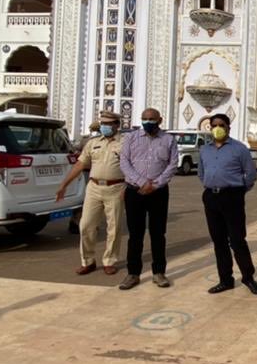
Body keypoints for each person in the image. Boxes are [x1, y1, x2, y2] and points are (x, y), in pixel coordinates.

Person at [198, 112, 257, 295]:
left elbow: (250, 175)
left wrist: (239, 190)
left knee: (237, 239)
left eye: (221, 125)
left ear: (228, 127)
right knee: (219, 241)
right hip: (211, 197)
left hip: (232, 197)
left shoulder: (239, 149)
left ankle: (248, 277)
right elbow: (201, 173)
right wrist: (211, 184)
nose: (217, 129)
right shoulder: (205, 149)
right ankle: (225, 280)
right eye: (214, 126)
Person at [55, 110, 126, 276]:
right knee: (86, 225)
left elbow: (132, 167)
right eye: (103, 124)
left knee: (114, 227)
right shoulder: (93, 143)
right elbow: (80, 165)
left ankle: (109, 261)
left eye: (108, 124)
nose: (105, 127)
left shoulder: (125, 143)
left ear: (117, 125)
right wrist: (64, 185)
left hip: (116, 188)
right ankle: (88, 261)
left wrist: (129, 187)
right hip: (94, 188)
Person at [118, 107, 178, 291]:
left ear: (160, 120)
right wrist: (142, 182)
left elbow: (172, 164)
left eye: (152, 118)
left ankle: (159, 272)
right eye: (145, 118)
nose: (148, 121)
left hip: (158, 193)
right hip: (135, 191)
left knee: (158, 233)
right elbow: (124, 163)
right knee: (135, 234)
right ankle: (133, 273)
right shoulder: (131, 138)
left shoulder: (168, 140)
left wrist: (155, 184)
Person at [69, 119, 99, 234]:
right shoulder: (88, 139)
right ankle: (78, 222)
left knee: (87, 199)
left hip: (91, 172)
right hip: (87, 172)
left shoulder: (88, 139)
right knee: (86, 199)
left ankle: (79, 222)